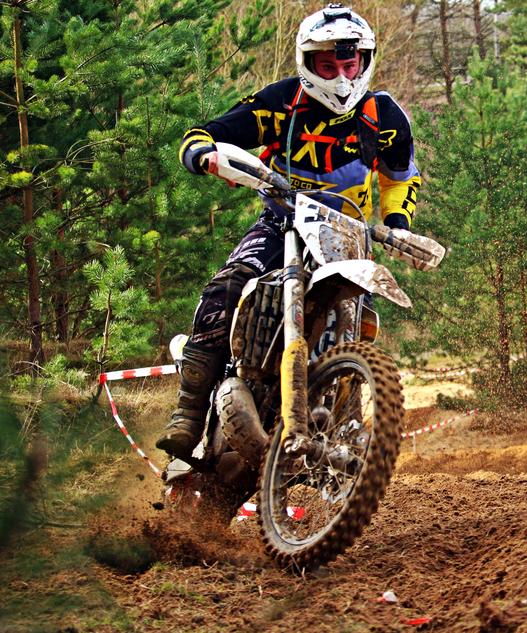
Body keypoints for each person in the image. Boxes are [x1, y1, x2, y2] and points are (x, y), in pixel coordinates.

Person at [156, 4, 420, 459]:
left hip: (349, 238)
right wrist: (204, 153)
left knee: (363, 324)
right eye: (328, 64)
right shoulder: (282, 102)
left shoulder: (385, 115)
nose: (341, 75)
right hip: (284, 223)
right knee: (226, 288)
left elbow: (399, 176)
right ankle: (189, 413)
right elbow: (205, 132)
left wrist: (397, 223)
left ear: (364, 61)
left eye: (349, 63)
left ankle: (345, 427)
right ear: (307, 62)